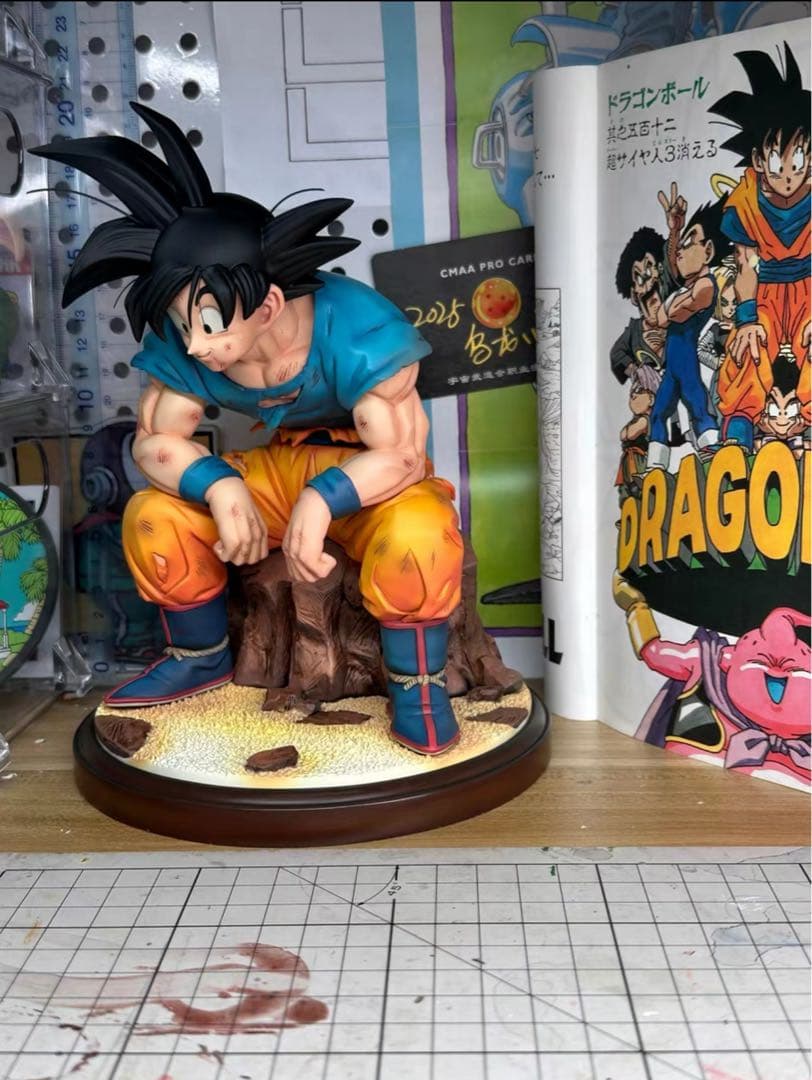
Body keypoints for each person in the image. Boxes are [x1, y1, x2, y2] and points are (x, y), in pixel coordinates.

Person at [33, 104, 465, 755]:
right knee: (154, 515)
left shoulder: (358, 327)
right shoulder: (189, 343)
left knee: (420, 534)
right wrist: (219, 486)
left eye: (207, 323)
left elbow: (402, 453)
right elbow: (155, 443)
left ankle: (418, 685)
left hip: (370, 479)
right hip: (275, 470)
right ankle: (199, 657)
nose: (194, 345)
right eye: (181, 324)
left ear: (267, 304)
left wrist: (323, 500)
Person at [709, 43, 811, 445]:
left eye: (797, 160)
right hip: (764, 292)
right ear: (757, 159)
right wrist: (748, 319)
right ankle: (738, 440)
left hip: (809, 291)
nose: (787, 174)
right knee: (747, 349)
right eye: (775, 161)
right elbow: (746, 266)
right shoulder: (745, 203)